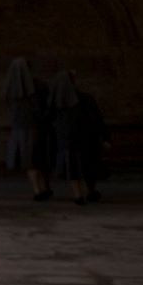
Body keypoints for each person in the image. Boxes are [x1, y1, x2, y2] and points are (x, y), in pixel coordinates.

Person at [46, 70, 106, 204]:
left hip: (66, 140)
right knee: (87, 165)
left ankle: (78, 194)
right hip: (85, 138)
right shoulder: (85, 98)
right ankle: (89, 191)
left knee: (73, 167)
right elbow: (96, 119)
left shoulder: (54, 103)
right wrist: (103, 137)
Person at [4, 56, 52, 200]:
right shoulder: (39, 86)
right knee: (39, 160)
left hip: (20, 129)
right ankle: (44, 187)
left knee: (30, 162)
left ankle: (38, 189)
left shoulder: (9, 89)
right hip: (37, 127)